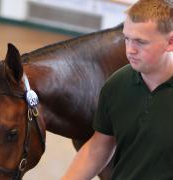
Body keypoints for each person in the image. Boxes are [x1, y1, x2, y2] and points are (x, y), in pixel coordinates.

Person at [62, 0, 173, 179]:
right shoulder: (117, 85)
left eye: (141, 42)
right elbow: (98, 148)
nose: (130, 50)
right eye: (126, 38)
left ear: (170, 42)